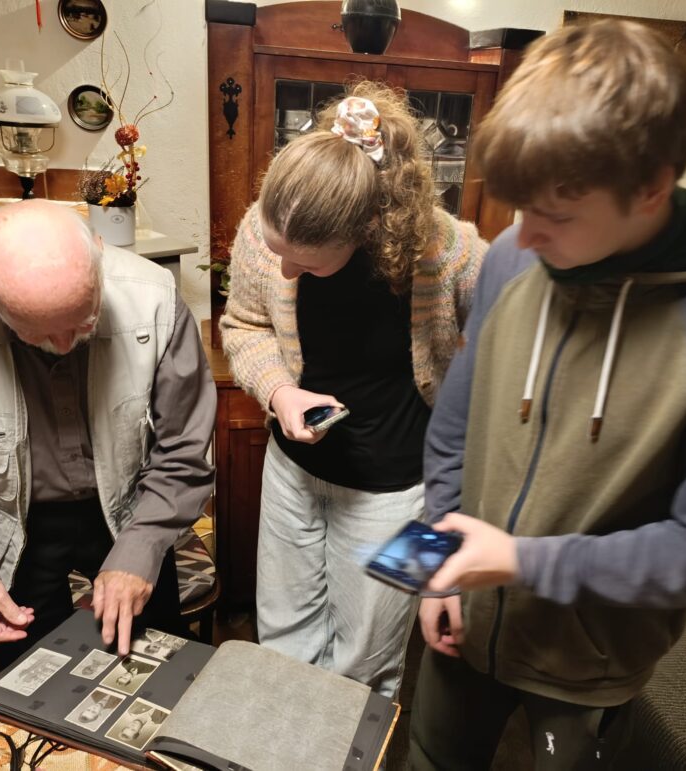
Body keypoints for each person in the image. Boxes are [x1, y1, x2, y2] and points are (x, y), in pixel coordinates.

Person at [409, 20, 686, 770]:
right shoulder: (511, 261)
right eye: (520, 207)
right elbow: (455, 428)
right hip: (464, 618)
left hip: (586, 665)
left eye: (555, 215)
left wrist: (524, 562)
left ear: (651, 188)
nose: (523, 237)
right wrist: (435, 559)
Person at [220, 81, 488, 698]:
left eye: (306, 263)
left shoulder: (451, 253)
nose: (285, 269)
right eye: (278, 251)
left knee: (371, 663)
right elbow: (244, 324)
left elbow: (504, 355)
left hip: (405, 495)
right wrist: (279, 393)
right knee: (281, 640)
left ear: (368, 227)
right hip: (293, 475)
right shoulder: (265, 231)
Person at [0, 199, 216, 659]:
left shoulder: (154, 297)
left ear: (99, 253)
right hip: (6, 522)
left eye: (84, 320)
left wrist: (144, 545)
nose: (65, 345)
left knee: (154, 652)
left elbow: (183, 447)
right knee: (28, 668)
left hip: (134, 506)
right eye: (36, 332)